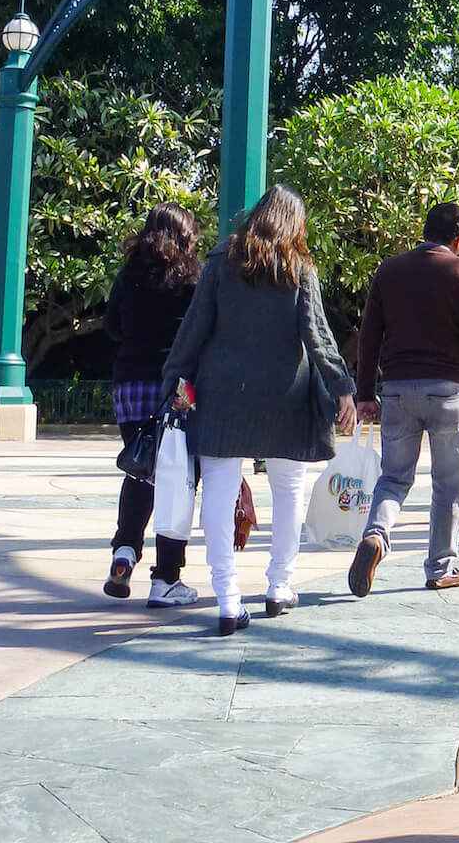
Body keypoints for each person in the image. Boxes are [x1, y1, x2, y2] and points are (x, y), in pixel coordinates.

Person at [161, 185, 357, 636]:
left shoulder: (220, 262)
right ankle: (278, 586)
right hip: (286, 394)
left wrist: (176, 380)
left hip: (223, 393)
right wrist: (342, 389)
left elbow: (193, 330)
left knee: (219, 490)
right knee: (289, 489)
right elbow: (319, 335)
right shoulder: (299, 268)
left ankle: (227, 601)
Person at [349, 201, 459, 595]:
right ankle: (441, 566)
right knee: (448, 483)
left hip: (397, 389)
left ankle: (376, 536)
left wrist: (365, 394)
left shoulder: (389, 271)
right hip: (449, 389)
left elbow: (369, 336)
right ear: (458, 239)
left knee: (393, 478)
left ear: (424, 231)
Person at [103, 202, 202, 606]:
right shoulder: (193, 276)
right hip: (173, 391)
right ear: (185, 235)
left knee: (140, 470)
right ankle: (166, 579)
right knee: (176, 481)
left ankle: (125, 549)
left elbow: (111, 325)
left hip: (129, 386)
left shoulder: (128, 276)